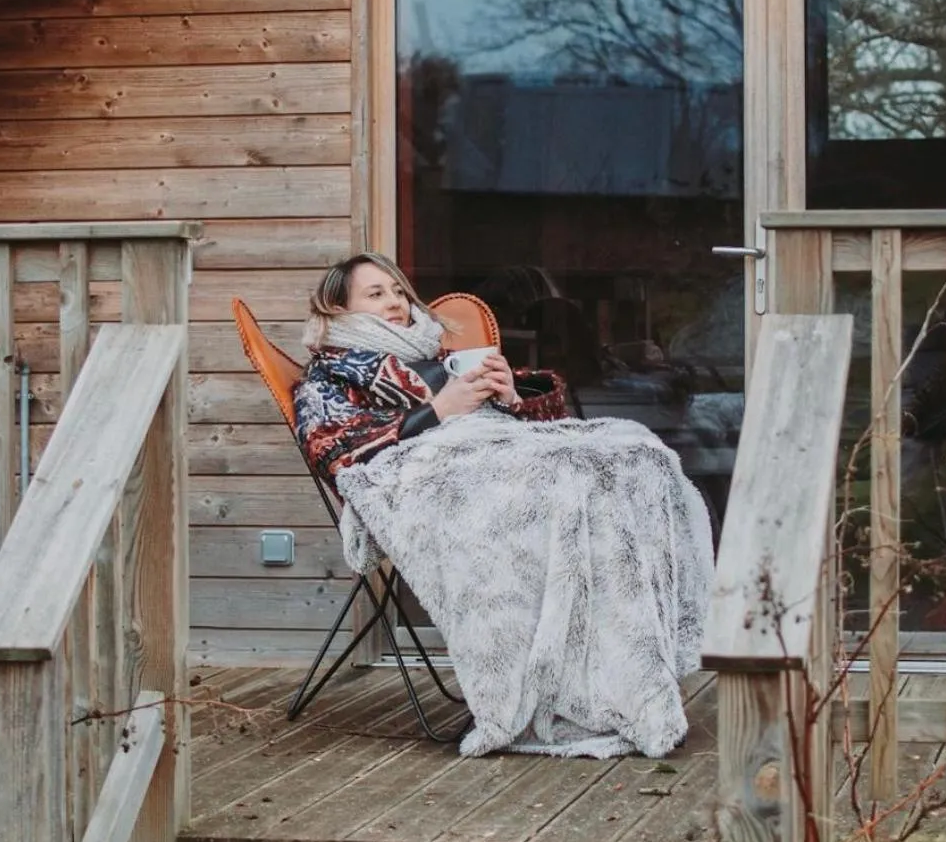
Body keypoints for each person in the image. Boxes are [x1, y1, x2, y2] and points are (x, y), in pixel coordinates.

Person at [293, 253, 715, 759]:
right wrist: (438, 412)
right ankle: (587, 686)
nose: (394, 302)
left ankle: (624, 669)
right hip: (428, 479)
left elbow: (533, 423)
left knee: (639, 454)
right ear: (339, 309)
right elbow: (333, 452)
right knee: (577, 475)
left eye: (398, 291)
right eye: (375, 293)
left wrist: (512, 395)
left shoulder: (438, 354)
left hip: (500, 452)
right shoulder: (332, 374)